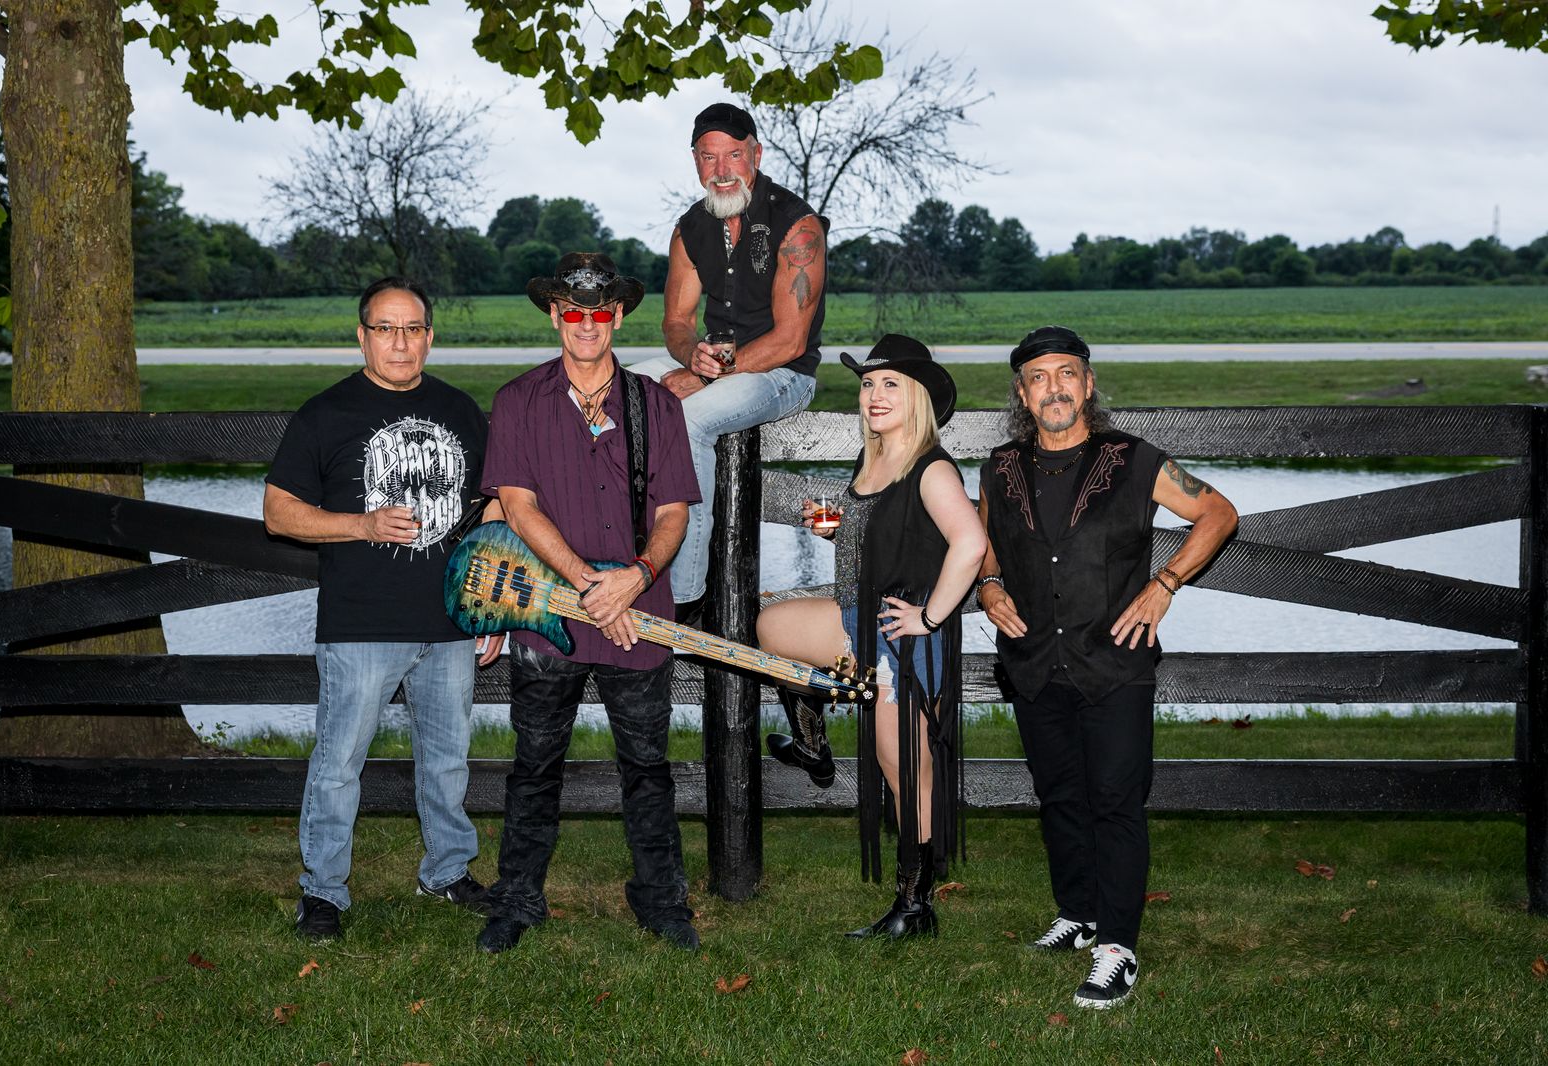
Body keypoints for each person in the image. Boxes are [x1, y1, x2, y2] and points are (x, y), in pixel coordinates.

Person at [977, 325, 1238, 1008]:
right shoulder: (999, 466)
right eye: (1038, 377)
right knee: (1059, 794)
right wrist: (989, 586)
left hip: (1115, 660)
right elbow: (987, 541)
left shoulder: (1135, 459)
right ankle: (1079, 912)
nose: (1054, 388)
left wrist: (1166, 582)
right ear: (1022, 394)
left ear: (1088, 384)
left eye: (1066, 373)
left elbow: (1218, 513)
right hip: (1035, 659)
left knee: (1116, 800)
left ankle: (1117, 947)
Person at [476, 253, 702, 954]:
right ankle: (517, 899)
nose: (586, 324)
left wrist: (634, 576)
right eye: (572, 312)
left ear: (618, 316)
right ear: (554, 315)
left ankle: (661, 901)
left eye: (599, 312)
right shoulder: (517, 401)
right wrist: (586, 583)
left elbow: (674, 512)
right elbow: (517, 507)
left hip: (638, 613)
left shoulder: (657, 404)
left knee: (648, 768)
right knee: (534, 765)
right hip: (550, 617)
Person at [264, 276, 502, 942]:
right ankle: (323, 892)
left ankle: (446, 872)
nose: (400, 342)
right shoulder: (325, 413)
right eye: (386, 328)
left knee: (448, 761)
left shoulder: (460, 409)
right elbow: (278, 513)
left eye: (413, 328)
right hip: (361, 624)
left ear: (430, 336)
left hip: (451, 623)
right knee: (339, 764)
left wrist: (491, 606)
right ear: (362, 336)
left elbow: (495, 507)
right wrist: (361, 526)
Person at [756, 334, 985, 938]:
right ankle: (813, 745)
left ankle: (914, 904)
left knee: (903, 768)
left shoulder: (931, 467)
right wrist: (837, 529)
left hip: (905, 641)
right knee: (772, 627)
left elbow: (970, 544)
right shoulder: (874, 456)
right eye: (867, 384)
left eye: (890, 385)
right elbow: (889, 533)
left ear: (918, 397)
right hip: (860, 619)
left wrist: (929, 618)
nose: (874, 395)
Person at [628, 102, 827, 623]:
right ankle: (621, 546)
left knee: (691, 419)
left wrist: (706, 372)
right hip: (716, 365)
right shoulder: (690, 228)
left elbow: (789, 340)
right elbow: (676, 322)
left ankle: (684, 596)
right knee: (621, 389)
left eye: (733, 155)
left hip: (781, 375)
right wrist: (690, 354)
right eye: (708, 157)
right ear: (694, 160)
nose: (721, 170)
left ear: (755, 155)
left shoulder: (797, 224)